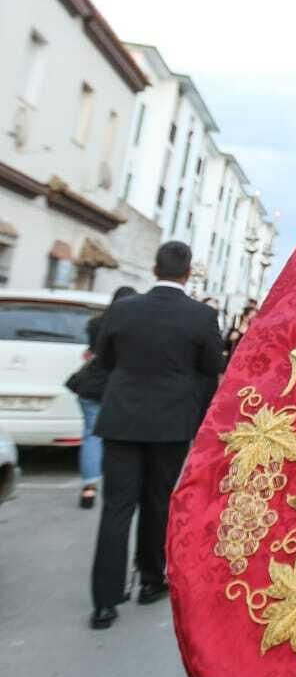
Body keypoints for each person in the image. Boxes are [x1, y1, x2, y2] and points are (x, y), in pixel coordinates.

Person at [88, 242, 226, 630]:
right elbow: (212, 365)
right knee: (158, 502)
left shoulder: (124, 308)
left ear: (153, 268)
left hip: (121, 419)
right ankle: (151, 579)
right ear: (188, 273)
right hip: (170, 422)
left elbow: (106, 358)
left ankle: (104, 602)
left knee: (116, 508)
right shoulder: (201, 316)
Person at [67, 285, 138, 509]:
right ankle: (120, 485)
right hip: (117, 389)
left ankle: (89, 488)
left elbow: (94, 352)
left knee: (91, 435)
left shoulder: (96, 323)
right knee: (120, 437)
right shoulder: (132, 327)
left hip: (91, 387)